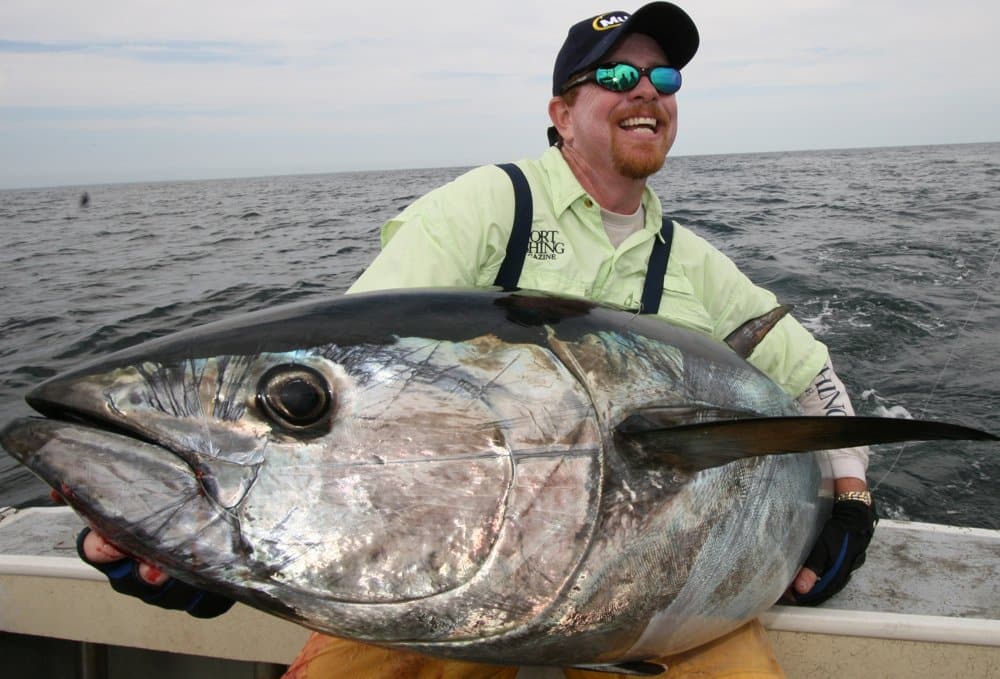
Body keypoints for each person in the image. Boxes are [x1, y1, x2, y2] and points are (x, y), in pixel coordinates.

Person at [77, 3, 877, 676]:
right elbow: (360, 388)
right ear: (561, 113)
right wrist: (237, 540)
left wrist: (850, 500)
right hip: (456, 585)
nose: (647, 92)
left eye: (664, 79)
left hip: (671, 598)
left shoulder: (697, 264)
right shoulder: (489, 208)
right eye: (616, 75)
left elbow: (814, 380)